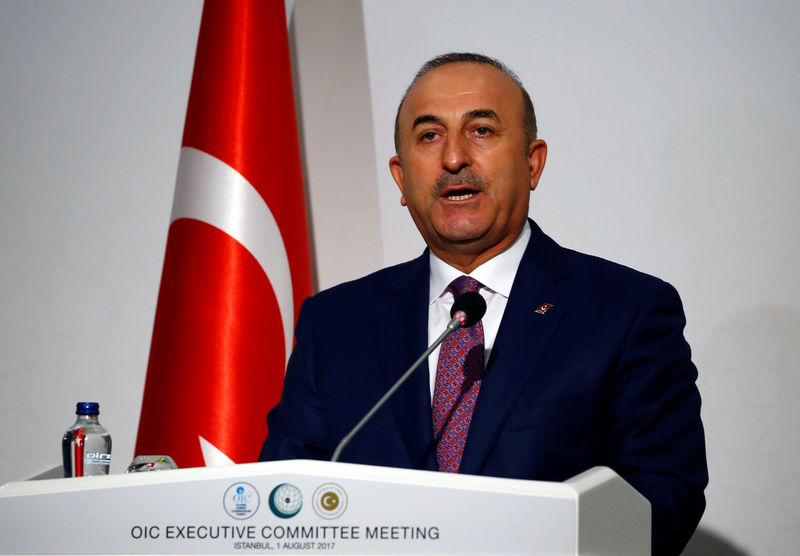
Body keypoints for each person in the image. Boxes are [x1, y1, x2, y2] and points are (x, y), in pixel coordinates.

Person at [260, 52, 707, 555]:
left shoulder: (626, 311)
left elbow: (661, 499)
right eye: (429, 136)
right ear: (401, 177)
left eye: (482, 132)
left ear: (532, 162)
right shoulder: (336, 324)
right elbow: (284, 502)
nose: (453, 158)